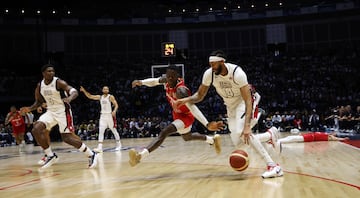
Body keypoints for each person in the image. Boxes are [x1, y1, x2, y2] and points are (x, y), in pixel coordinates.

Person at [174, 50, 283, 178]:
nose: (211, 67)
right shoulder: (209, 74)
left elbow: (248, 100)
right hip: (230, 106)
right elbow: (200, 95)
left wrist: (247, 125)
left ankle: (273, 166)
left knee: (241, 132)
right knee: (239, 143)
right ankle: (269, 135)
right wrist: (185, 100)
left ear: (222, 62)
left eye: (214, 64)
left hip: (245, 102)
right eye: (210, 64)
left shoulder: (237, 73)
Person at [129, 65, 224, 167]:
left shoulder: (181, 91)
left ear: (178, 76)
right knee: (187, 137)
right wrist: (141, 82)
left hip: (186, 117)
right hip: (177, 115)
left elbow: (192, 107)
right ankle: (212, 140)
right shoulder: (166, 80)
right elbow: (155, 81)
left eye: (172, 77)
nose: (169, 79)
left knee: (164, 132)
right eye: (168, 76)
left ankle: (139, 156)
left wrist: (207, 124)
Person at [20, 64, 98, 169]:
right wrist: (29, 109)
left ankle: (91, 154)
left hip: (63, 112)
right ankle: (50, 155)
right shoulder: (40, 85)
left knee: (67, 138)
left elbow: (74, 91)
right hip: (51, 111)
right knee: (36, 129)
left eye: (53, 71)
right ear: (43, 73)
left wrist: (69, 98)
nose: (52, 73)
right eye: (49, 71)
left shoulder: (59, 82)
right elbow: (38, 102)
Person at [80, 85, 122, 152]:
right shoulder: (100, 97)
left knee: (114, 130)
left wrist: (114, 111)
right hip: (102, 116)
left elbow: (116, 105)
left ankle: (119, 145)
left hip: (109, 115)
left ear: (108, 91)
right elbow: (90, 96)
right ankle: (100, 147)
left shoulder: (110, 97)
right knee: (101, 131)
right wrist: (84, 91)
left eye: (107, 89)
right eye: (104, 89)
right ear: (102, 90)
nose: (105, 90)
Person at [276, 130, 349, 153]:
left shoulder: (329, 137)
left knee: (292, 139)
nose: (334, 133)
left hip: (308, 138)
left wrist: (343, 139)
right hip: (308, 136)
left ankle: (279, 141)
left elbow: (335, 139)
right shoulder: (325, 133)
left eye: (335, 133)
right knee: (291, 138)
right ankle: (279, 141)